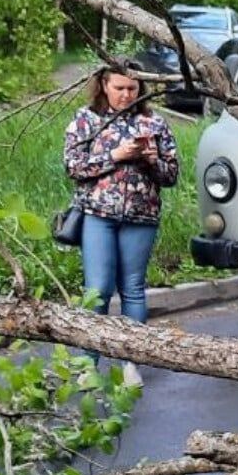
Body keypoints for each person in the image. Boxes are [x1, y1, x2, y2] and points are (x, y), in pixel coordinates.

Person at [63, 67, 179, 386]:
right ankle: (88, 364)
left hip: (141, 217)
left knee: (133, 288)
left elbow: (171, 176)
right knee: (97, 289)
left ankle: (132, 363)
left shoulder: (154, 122)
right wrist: (116, 155)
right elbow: (73, 166)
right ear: (104, 84)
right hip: (98, 214)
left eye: (132, 87)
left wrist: (152, 160)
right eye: (119, 87)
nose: (126, 94)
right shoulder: (86, 119)